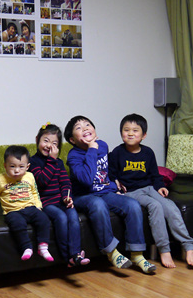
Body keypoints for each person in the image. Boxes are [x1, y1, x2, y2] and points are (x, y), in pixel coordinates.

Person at [64, 115, 156, 274]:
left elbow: (105, 171)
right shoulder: (73, 156)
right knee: (97, 204)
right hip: (83, 196)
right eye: (79, 128)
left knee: (132, 205)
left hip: (105, 191)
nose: (85, 128)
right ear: (72, 140)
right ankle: (111, 252)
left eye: (87, 125)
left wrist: (114, 184)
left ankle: (137, 254)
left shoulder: (103, 145)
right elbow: (87, 179)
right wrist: (92, 149)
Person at [109, 114, 193, 268]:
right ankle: (164, 249)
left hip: (149, 188)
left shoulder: (148, 152)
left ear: (143, 135)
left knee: (170, 206)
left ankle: (188, 246)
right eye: (126, 130)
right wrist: (115, 188)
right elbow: (111, 175)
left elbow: (155, 175)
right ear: (121, 133)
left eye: (135, 130)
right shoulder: (117, 153)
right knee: (154, 206)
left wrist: (160, 186)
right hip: (131, 192)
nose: (130, 133)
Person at [30, 123, 90, 267]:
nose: (49, 146)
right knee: (61, 217)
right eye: (46, 141)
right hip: (45, 203)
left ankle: (76, 254)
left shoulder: (59, 163)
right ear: (37, 139)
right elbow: (42, 181)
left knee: (73, 216)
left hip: (60, 201)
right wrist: (52, 160)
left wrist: (66, 197)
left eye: (54, 143)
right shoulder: (32, 162)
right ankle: (66, 257)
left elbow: (65, 183)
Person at [0, 145, 53, 262]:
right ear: (5, 166)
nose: (17, 170)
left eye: (21, 167)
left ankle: (43, 247)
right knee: (18, 224)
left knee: (44, 219)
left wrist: (38, 206)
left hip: (30, 207)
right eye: (12, 166)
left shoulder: (29, 176)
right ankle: (26, 247)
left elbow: (34, 192)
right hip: (12, 211)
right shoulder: (0, 180)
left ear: (27, 166)